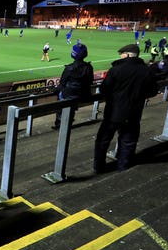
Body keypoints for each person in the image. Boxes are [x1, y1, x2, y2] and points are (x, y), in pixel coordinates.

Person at [93, 44, 159, 173]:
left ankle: (99, 167)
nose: (121, 56)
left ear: (128, 55)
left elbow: (104, 89)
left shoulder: (116, 69)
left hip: (113, 112)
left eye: (122, 54)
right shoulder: (146, 70)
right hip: (134, 112)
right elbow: (153, 91)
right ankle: (123, 166)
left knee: (103, 140)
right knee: (128, 140)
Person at [52, 43, 94, 130]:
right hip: (84, 95)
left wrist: (54, 90)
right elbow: (90, 81)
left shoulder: (69, 68)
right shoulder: (89, 67)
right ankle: (68, 120)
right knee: (70, 99)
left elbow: (62, 84)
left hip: (70, 96)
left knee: (61, 97)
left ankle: (59, 123)